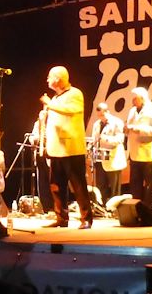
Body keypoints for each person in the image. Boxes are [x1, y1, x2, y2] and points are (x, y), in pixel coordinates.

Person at [40, 66, 93, 229]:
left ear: (58, 79)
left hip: (71, 148)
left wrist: (49, 105)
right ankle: (61, 218)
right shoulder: (55, 98)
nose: (47, 80)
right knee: (56, 185)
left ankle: (86, 218)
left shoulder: (75, 94)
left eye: (50, 77)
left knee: (78, 185)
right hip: (56, 148)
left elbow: (70, 111)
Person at [126, 87, 152, 208]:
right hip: (134, 152)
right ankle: (136, 208)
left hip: (148, 152)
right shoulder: (132, 111)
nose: (132, 101)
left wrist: (139, 130)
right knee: (135, 182)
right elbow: (130, 127)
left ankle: (148, 209)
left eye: (134, 98)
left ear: (142, 98)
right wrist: (127, 129)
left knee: (149, 183)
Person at [91, 102, 126, 205]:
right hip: (100, 159)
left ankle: (115, 209)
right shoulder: (97, 124)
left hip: (113, 159)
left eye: (102, 115)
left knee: (114, 188)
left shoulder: (117, 122)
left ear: (107, 112)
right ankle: (101, 207)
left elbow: (120, 139)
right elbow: (94, 139)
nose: (100, 118)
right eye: (98, 115)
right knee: (101, 186)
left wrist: (105, 138)